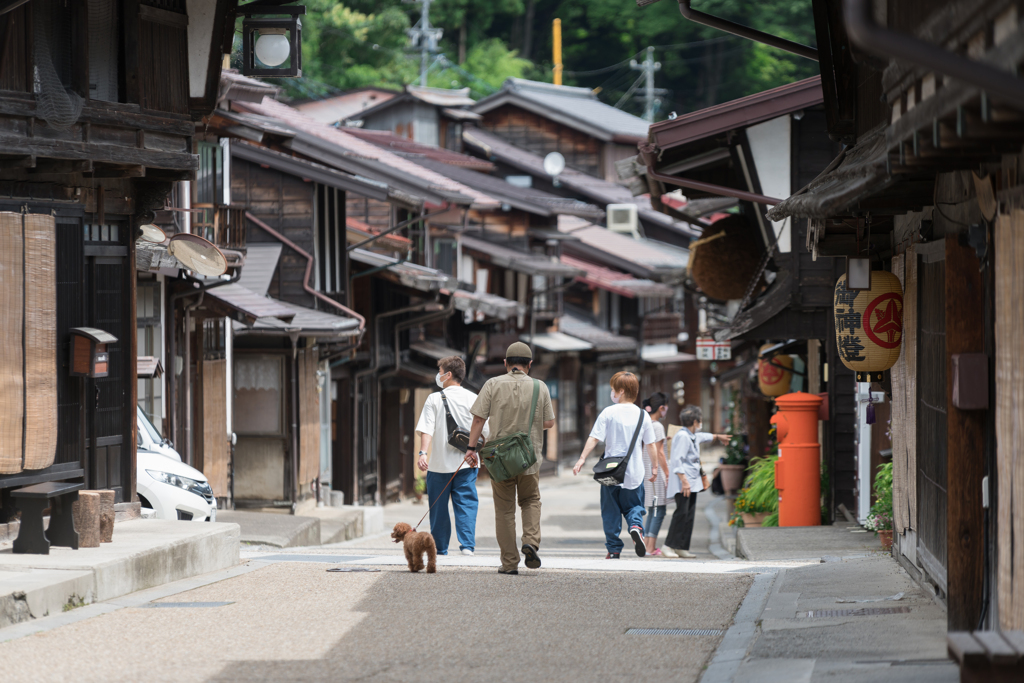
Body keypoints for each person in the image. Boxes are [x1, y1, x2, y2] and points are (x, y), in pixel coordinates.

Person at [465, 342, 555, 575]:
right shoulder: (540, 386)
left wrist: (471, 448)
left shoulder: (492, 384)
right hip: (529, 458)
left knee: (504, 510)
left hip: (500, 459)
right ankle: (530, 542)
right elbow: (549, 422)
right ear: (530, 365)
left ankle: (509, 563)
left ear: (506, 363)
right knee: (530, 500)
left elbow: (478, 420)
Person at [572, 372, 657, 559]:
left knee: (610, 511)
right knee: (635, 506)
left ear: (621, 391)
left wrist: (582, 458)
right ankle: (635, 527)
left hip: (610, 471)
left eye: (613, 389)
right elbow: (651, 444)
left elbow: (594, 437)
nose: (611, 392)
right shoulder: (643, 415)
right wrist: (655, 467)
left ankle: (614, 549)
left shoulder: (608, 412)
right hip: (634, 471)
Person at [414, 356, 489, 557]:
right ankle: (467, 547)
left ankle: (440, 549)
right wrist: (475, 450)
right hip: (467, 462)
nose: (437, 375)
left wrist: (423, 453)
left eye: (440, 371)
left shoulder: (434, 398)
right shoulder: (474, 398)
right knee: (466, 503)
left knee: (438, 508)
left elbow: (426, 428)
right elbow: (485, 430)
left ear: (448, 375)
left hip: (439, 465)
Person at [662, 405, 730, 558]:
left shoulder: (691, 435)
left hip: (691, 482)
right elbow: (677, 461)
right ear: (695, 421)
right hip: (683, 483)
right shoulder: (683, 436)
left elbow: (705, 436)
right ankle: (668, 546)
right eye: (699, 420)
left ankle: (681, 546)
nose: (700, 423)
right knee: (681, 513)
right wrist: (684, 482)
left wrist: (719, 437)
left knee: (689, 514)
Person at [642, 392, 671, 556]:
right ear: (661, 408)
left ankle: (647, 545)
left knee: (652, 509)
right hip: (657, 472)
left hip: (646, 471)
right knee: (659, 510)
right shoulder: (658, 426)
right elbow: (660, 453)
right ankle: (650, 548)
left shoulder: (646, 424)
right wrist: (667, 473)